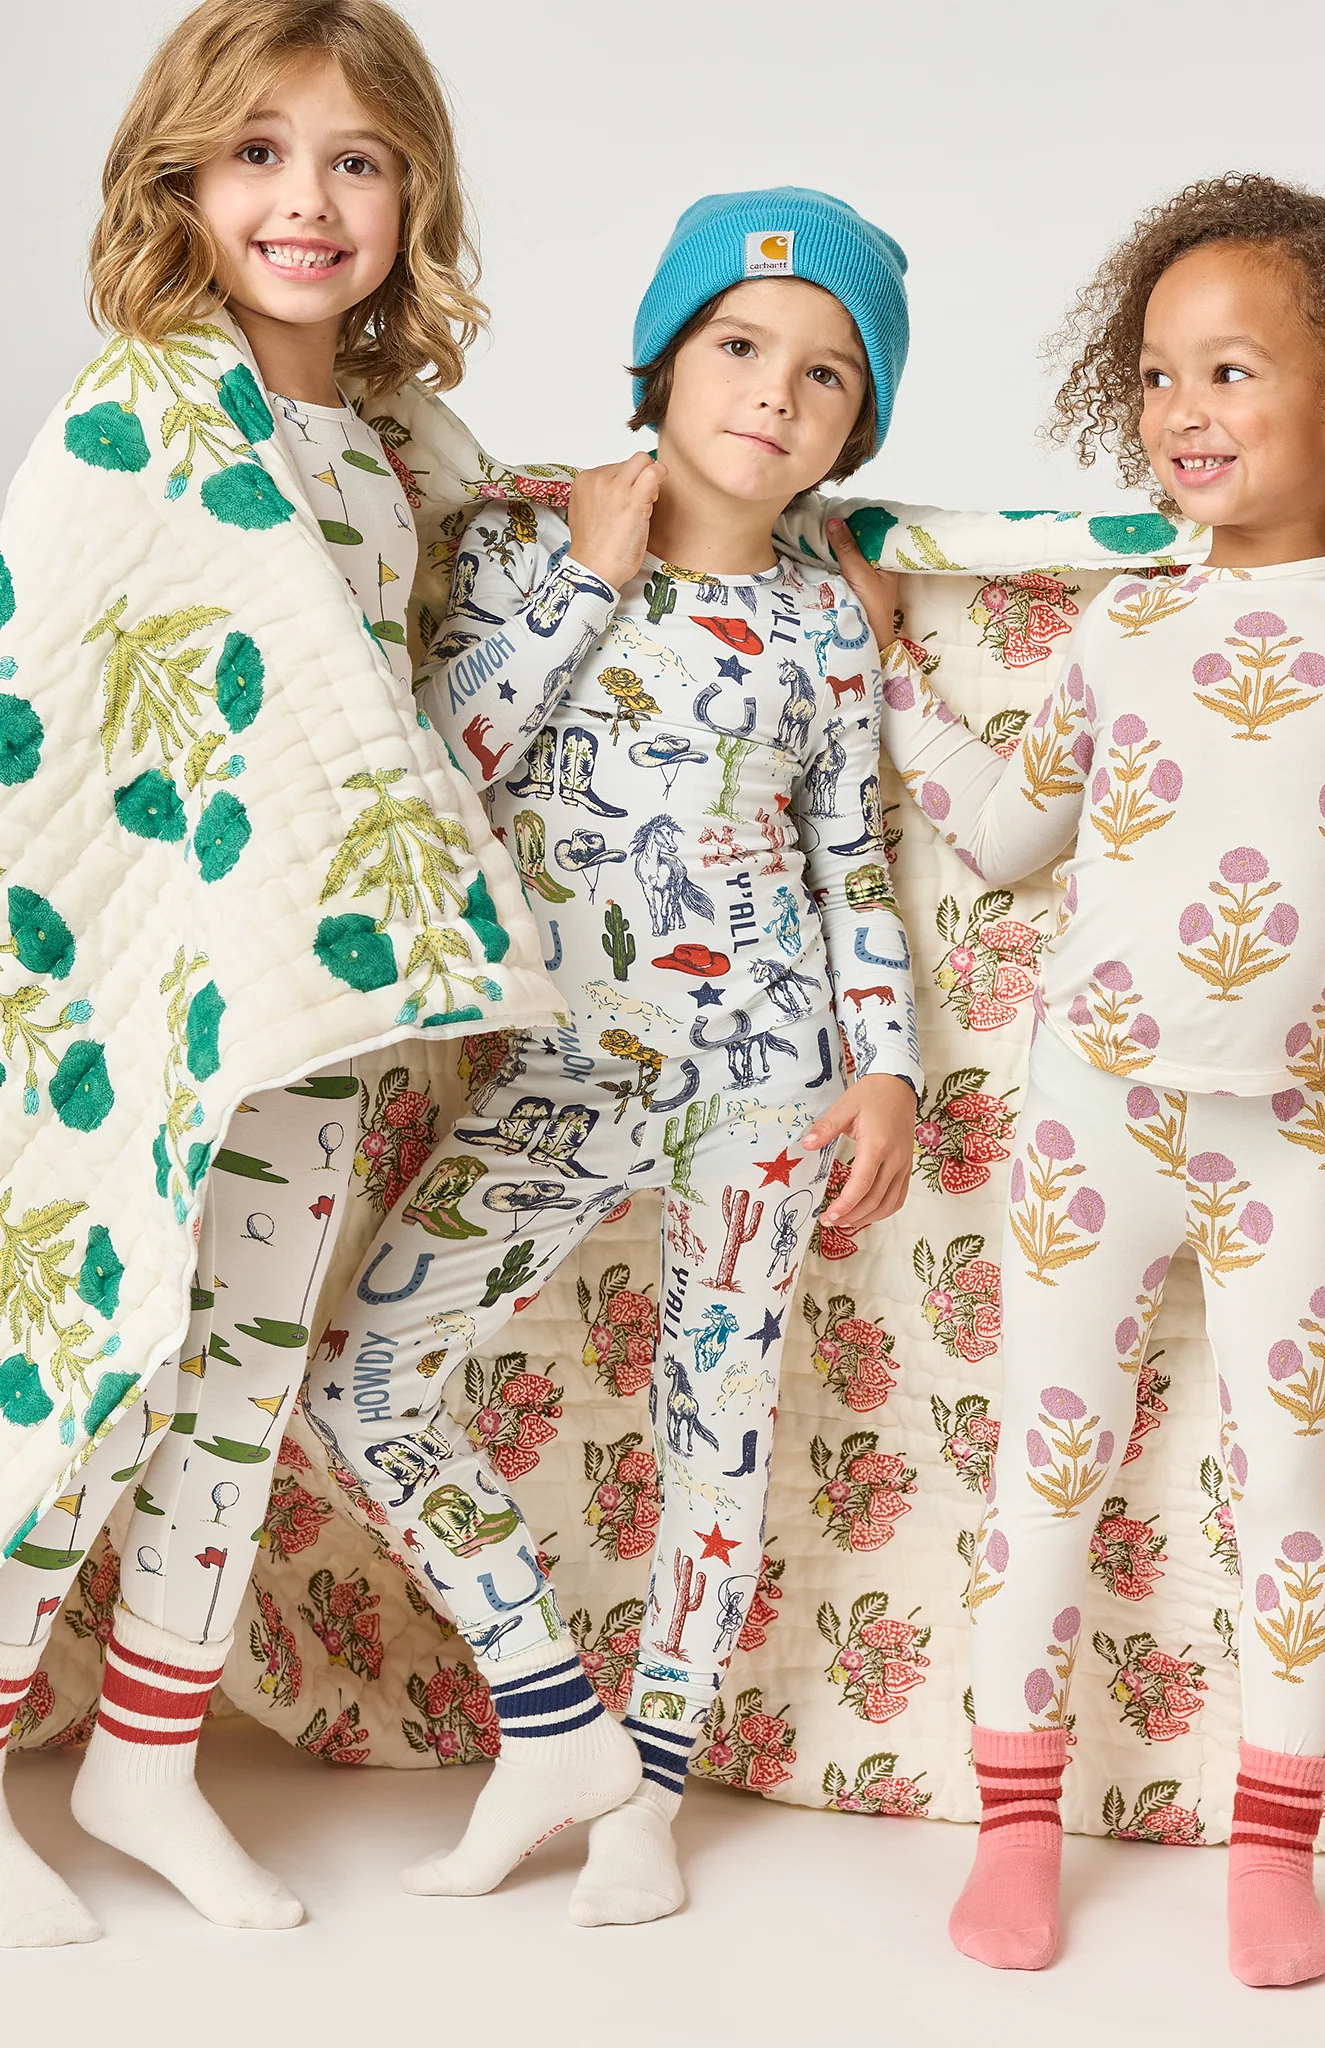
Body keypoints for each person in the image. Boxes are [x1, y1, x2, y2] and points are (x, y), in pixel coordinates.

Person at [829, 171, 1325, 1986]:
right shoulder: (1124, 626)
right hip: (1091, 1122)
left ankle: (1273, 1851)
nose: (1181, 412)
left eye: (1230, 370)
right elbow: (1003, 837)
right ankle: (1016, 1831)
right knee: (1045, 1477)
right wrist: (887, 669)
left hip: (1295, 1138)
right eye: (1154, 375)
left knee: (1292, 1485)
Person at [306, 188, 921, 1927]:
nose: (774, 393)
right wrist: (591, 575)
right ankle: (551, 1716)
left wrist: (886, 1063)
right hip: (574, 1069)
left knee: (711, 1437)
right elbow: (447, 765)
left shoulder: (828, 620)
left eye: (826, 376)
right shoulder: (532, 547)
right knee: (363, 1386)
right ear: (662, 362)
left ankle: (648, 1795)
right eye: (739, 344)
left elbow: (849, 860)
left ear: (853, 428)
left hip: (767, 1072)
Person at [0, 0, 549, 1942]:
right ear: (181, 180)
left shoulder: (400, 447)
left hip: (314, 999)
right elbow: (43, 680)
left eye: (355, 159)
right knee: (102, 1358)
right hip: (151, 989)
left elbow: (441, 669)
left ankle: (147, 1758)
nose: (305, 199)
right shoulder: (144, 407)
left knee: (240, 1377)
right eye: (256, 151)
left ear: (414, 196)